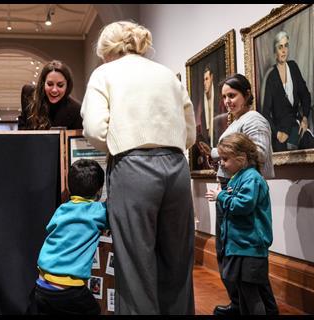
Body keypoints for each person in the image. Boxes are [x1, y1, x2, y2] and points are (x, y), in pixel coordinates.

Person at [81, 21, 196, 314]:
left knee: (135, 267)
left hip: (133, 167)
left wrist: (122, 143)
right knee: (178, 264)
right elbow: (191, 133)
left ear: (106, 49)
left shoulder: (104, 73)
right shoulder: (166, 73)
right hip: (177, 167)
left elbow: (94, 128)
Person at [198, 73, 278, 316]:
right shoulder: (238, 120)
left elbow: (258, 155)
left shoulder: (254, 120)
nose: (227, 101)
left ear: (246, 94)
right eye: (224, 97)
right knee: (228, 253)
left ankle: (252, 306)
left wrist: (218, 156)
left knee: (246, 261)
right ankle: (239, 303)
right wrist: (218, 159)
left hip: (241, 191)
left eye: (232, 95)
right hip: (231, 188)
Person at [205, 132, 276, 315]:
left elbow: (243, 205)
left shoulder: (251, 178)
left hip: (249, 247)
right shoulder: (240, 176)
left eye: (225, 159)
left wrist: (221, 196)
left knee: (251, 295)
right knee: (251, 292)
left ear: (242, 158)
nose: (221, 163)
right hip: (241, 247)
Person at [29, 159, 107, 315]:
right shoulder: (100, 212)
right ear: (99, 190)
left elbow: (51, 228)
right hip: (68, 290)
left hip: (41, 285)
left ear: (70, 188)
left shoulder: (62, 209)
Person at [261, 30, 312, 152]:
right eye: (280, 47)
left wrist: (305, 118)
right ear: (275, 52)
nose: (284, 50)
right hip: (281, 132)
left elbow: (305, 95)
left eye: (286, 46)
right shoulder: (271, 77)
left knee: (309, 143)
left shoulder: (293, 67)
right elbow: (266, 113)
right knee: (287, 156)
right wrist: (277, 133)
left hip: (297, 126)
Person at [17, 60, 83, 130]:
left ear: (67, 86)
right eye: (50, 84)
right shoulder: (28, 93)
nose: (54, 90)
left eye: (60, 85)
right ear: (43, 83)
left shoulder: (76, 110)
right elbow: (22, 128)